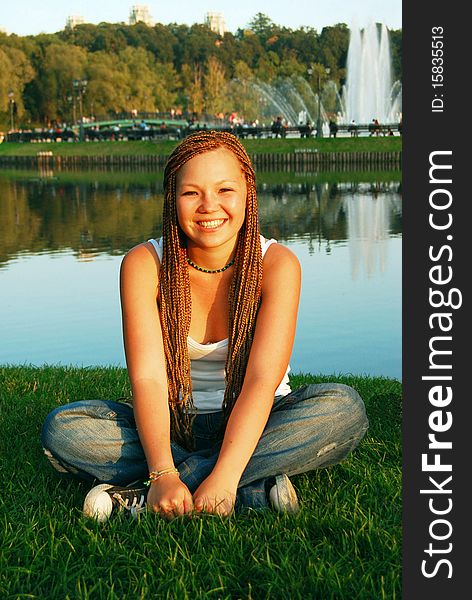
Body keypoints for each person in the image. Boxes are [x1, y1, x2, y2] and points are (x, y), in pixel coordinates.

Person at [41, 131, 368, 521]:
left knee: (343, 409)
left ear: (247, 190)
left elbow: (263, 380)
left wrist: (224, 477)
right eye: (191, 193)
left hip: (261, 418)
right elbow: (147, 378)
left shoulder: (278, 265)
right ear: (171, 199)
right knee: (64, 429)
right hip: (173, 421)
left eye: (224, 189)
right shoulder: (144, 265)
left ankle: (166, 489)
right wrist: (162, 467)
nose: (209, 206)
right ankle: (252, 485)